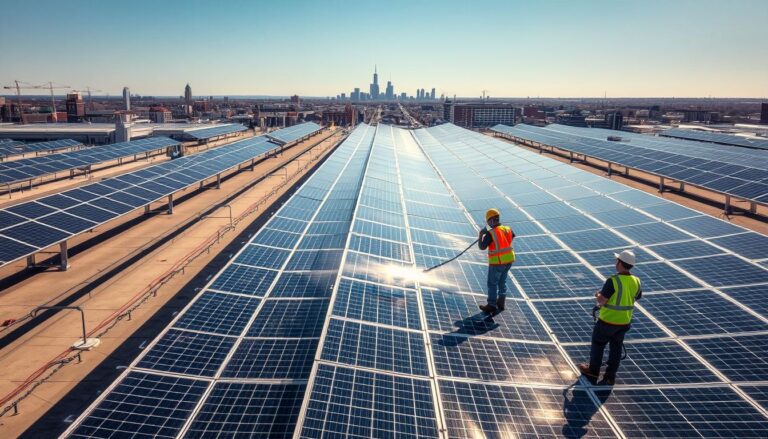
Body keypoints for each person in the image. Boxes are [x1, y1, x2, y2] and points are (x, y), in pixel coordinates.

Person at [579, 250, 642, 385]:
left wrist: (597, 295)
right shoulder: (636, 281)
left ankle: (593, 370)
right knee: (616, 348)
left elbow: (602, 301)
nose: (615, 262)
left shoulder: (613, 280)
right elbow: (637, 296)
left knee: (598, 345)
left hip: (608, 321)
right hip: (624, 322)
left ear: (620, 263)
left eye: (617, 260)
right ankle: (610, 376)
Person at [478, 208, 515, 314]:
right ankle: (501, 302)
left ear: (491, 220)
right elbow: (512, 236)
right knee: (502, 281)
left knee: (492, 283)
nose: (488, 224)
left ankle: (491, 305)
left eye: (488, 221)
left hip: (497, 262)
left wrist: (481, 235)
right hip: (508, 260)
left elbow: (482, 247)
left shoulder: (491, 233)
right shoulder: (507, 229)